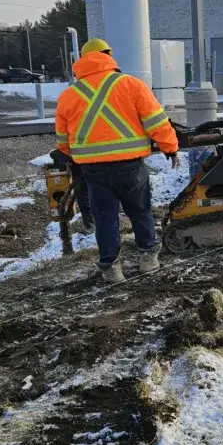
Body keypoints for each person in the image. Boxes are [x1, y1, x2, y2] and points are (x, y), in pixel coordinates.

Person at [55, 38, 179, 283]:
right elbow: (156, 123)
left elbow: (62, 141)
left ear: (81, 60)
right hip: (129, 166)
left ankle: (111, 268)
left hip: (93, 170)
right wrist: (170, 147)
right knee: (140, 210)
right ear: (109, 56)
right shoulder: (132, 85)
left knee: (105, 218)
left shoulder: (69, 96)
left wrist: (82, 157)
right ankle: (148, 258)